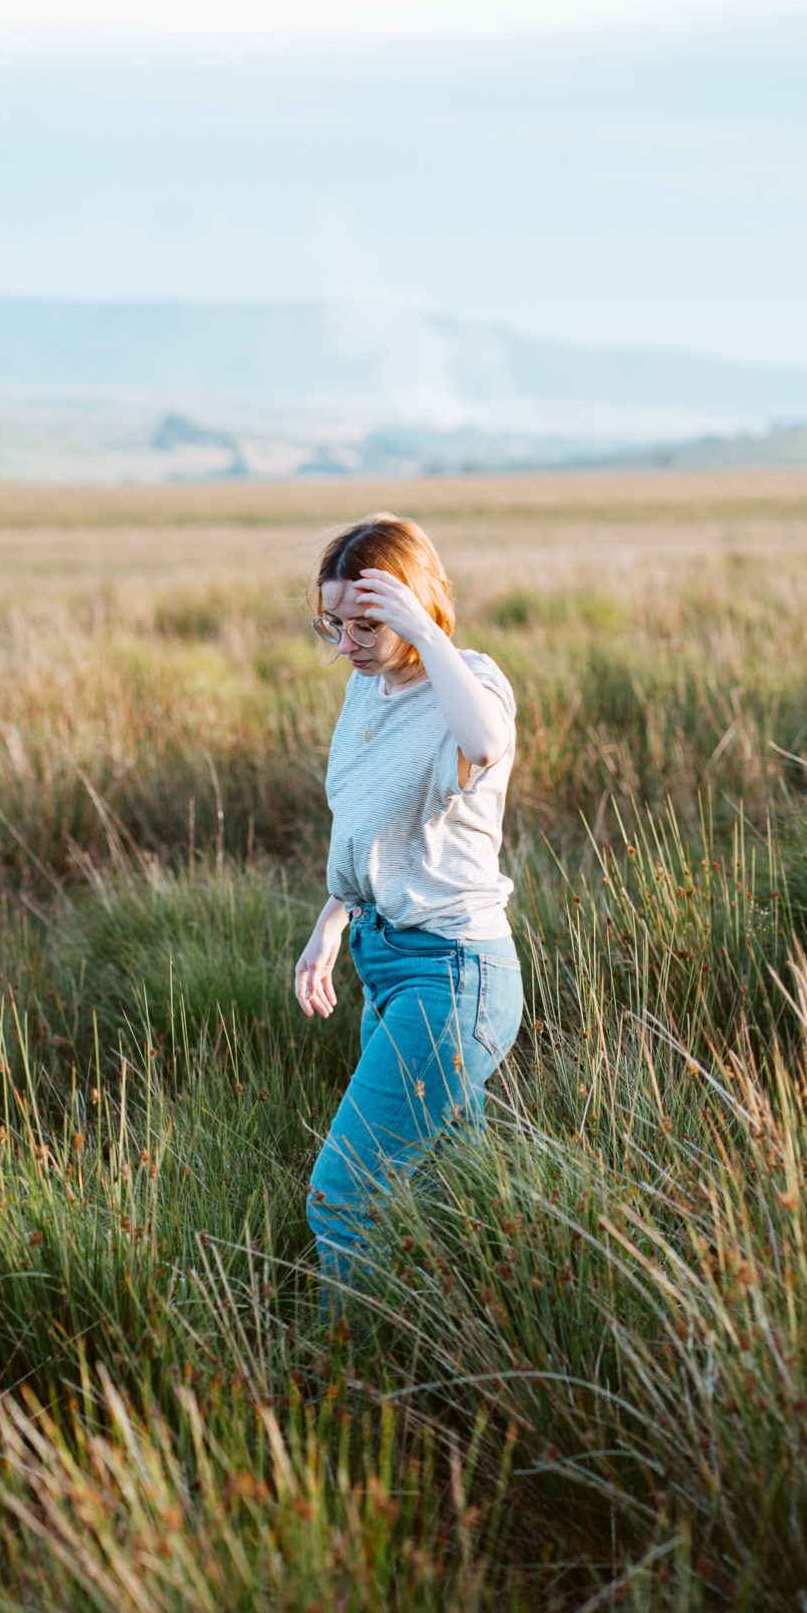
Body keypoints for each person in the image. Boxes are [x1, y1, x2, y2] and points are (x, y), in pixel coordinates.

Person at [295, 514, 524, 1289]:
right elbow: (363, 821)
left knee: (342, 1195)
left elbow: (488, 744)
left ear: (414, 607)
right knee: (454, 1196)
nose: (347, 644)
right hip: (387, 964)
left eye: (366, 623)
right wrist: (334, 918)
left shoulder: (469, 682)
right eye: (335, 624)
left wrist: (426, 636)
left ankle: (350, 1381)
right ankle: (469, 1344)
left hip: (455, 975)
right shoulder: (368, 689)